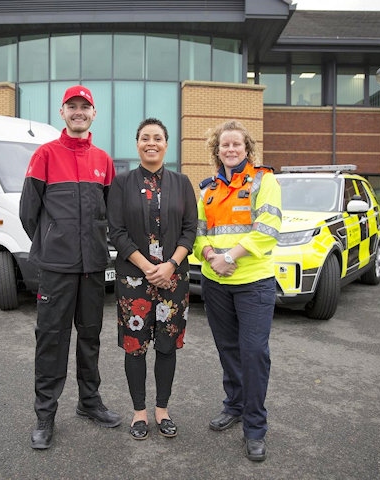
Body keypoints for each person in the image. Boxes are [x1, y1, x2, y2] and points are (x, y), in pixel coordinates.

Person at [19, 85, 122, 450]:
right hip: (57, 268)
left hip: (93, 267)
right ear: (62, 112)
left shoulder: (103, 160)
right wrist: (53, 241)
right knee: (51, 339)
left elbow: (110, 214)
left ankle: (89, 403)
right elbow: (27, 212)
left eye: (85, 106)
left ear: (94, 114)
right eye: (72, 106)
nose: (79, 112)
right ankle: (45, 415)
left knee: (90, 337)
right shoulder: (45, 154)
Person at [193, 120, 282, 462]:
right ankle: (234, 404)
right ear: (216, 150)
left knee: (253, 353)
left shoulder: (264, 180)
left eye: (237, 145)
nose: (231, 150)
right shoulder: (207, 189)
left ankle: (255, 428)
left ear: (247, 149)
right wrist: (212, 256)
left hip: (254, 283)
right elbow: (198, 233)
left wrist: (229, 256)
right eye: (224, 145)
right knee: (228, 349)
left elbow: (267, 229)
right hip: (216, 284)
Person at [107, 118, 197, 440]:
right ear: (137, 144)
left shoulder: (182, 183)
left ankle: (162, 410)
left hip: (174, 279)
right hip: (135, 280)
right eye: (145, 137)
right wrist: (147, 266)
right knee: (135, 347)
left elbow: (190, 230)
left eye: (157, 138)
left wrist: (171, 264)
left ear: (166, 144)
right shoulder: (122, 183)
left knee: (166, 345)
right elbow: (115, 231)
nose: (151, 143)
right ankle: (139, 412)